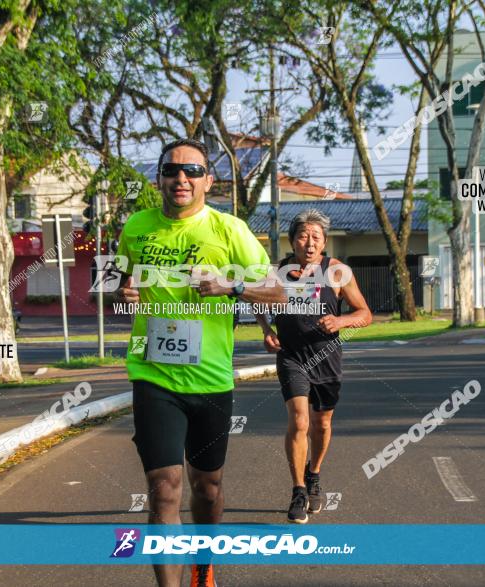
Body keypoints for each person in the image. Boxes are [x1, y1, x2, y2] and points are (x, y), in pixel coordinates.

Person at [113, 138, 286, 587]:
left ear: (209, 180)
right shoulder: (136, 226)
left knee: (206, 488)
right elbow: (119, 280)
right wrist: (123, 291)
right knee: (164, 487)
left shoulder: (231, 230)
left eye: (192, 170)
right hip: (153, 374)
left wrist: (230, 288)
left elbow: (278, 291)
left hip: (210, 378)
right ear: (159, 179)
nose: (181, 178)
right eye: (172, 170)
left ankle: (203, 567)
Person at [255, 209, 372, 524]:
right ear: (292, 240)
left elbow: (364, 313)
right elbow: (256, 300)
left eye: (316, 238)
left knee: (321, 424)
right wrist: (266, 330)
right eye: (303, 236)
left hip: (327, 356)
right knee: (300, 421)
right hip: (292, 355)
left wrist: (341, 320)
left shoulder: (337, 273)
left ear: (323, 242)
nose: (309, 243)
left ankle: (314, 473)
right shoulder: (277, 272)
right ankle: (297, 491)